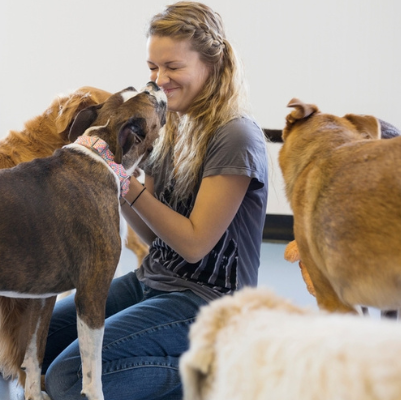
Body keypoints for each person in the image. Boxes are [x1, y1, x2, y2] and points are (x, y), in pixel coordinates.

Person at [41, 2, 268, 399]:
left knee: (68, 381)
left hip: (208, 304)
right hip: (153, 280)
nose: (159, 79)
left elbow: (195, 245)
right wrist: (111, 174)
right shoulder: (172, 125)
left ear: (211, 66)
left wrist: (125, 183)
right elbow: (152, 234)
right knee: (36, 341)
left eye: (173, 67)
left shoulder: (235, 136)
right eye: (152, 67)